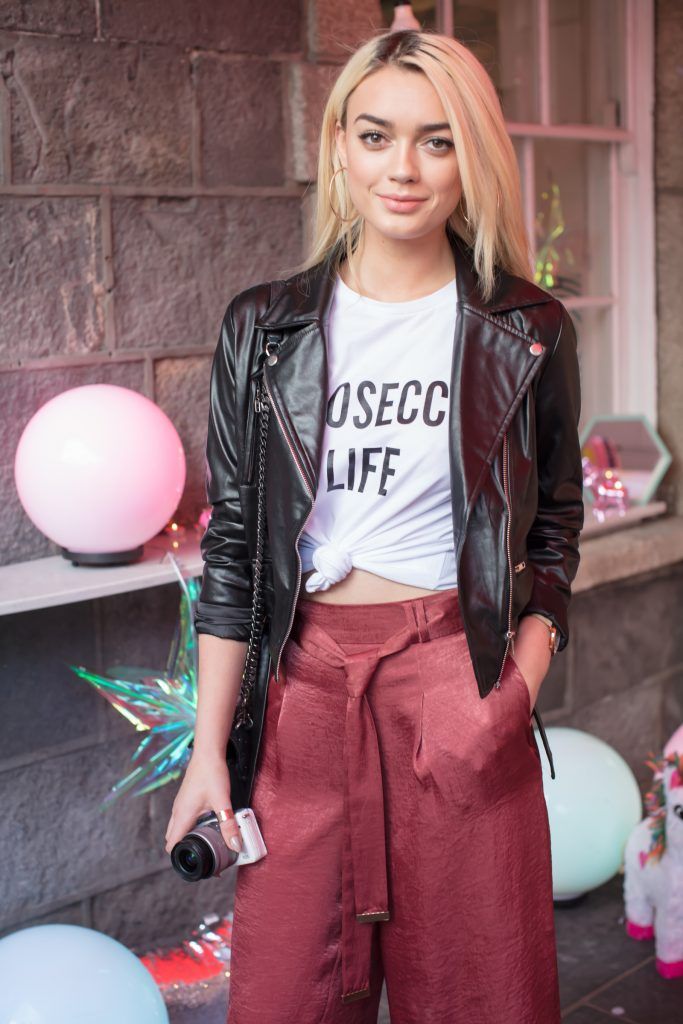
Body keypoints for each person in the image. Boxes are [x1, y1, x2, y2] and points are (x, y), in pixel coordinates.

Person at [165, 27, 583, 1024]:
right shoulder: (262, 328)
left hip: (456, 674)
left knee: (483, 995)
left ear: (471, 155)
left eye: (436, 141)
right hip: (302, 695)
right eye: (376, 135)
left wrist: (516, 681)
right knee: (288, 1000)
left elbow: (555, 523)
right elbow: (232, 548)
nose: (402, 168)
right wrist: (208, 750)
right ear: (338, 148)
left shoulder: (524, 327)